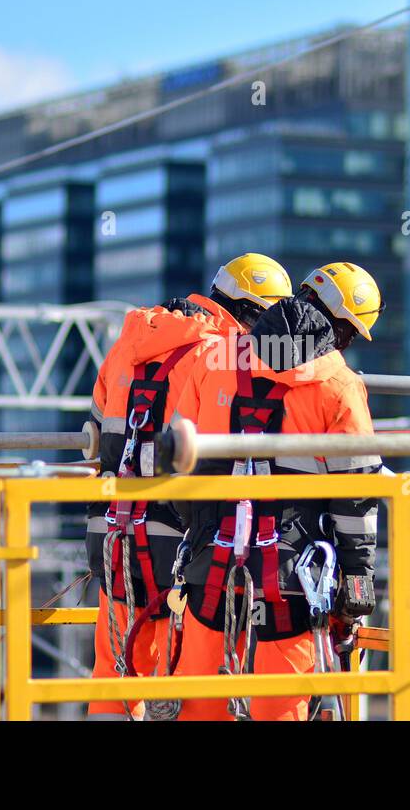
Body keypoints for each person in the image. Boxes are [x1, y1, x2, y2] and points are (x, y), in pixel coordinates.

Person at [169, 262, 384, 721]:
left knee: (197, 703)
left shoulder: (215, 361)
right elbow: (358, 495)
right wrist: (357, 577)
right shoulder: (339, 385)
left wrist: (201, 531)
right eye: (349, 335)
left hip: (211, 568)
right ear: (339, 327)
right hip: (290, 581)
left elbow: (178, 465)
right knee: (281, 705)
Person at [85, 253, 292, 720]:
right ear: (253, 312)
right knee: (186, 678)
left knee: (114, 673)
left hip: (111, 533)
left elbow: (96, 431)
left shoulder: (130, 341)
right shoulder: (223, 356)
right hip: (181, 539)